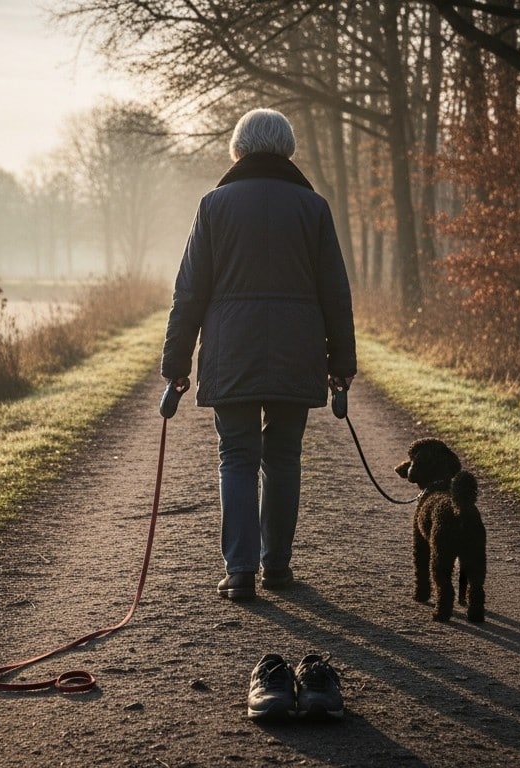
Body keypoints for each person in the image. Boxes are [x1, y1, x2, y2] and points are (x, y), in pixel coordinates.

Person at [161, 107, 357, 600]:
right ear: (287, 148)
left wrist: (176, 364)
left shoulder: (213, 206)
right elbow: (336, 293)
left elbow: (190, 292)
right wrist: (342, 365)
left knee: (237, 456)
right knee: (285, 457)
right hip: (298, 350)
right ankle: (278, 567)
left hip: (233, 351)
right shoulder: (314, 208)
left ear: (239, 148)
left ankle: (241, 570)